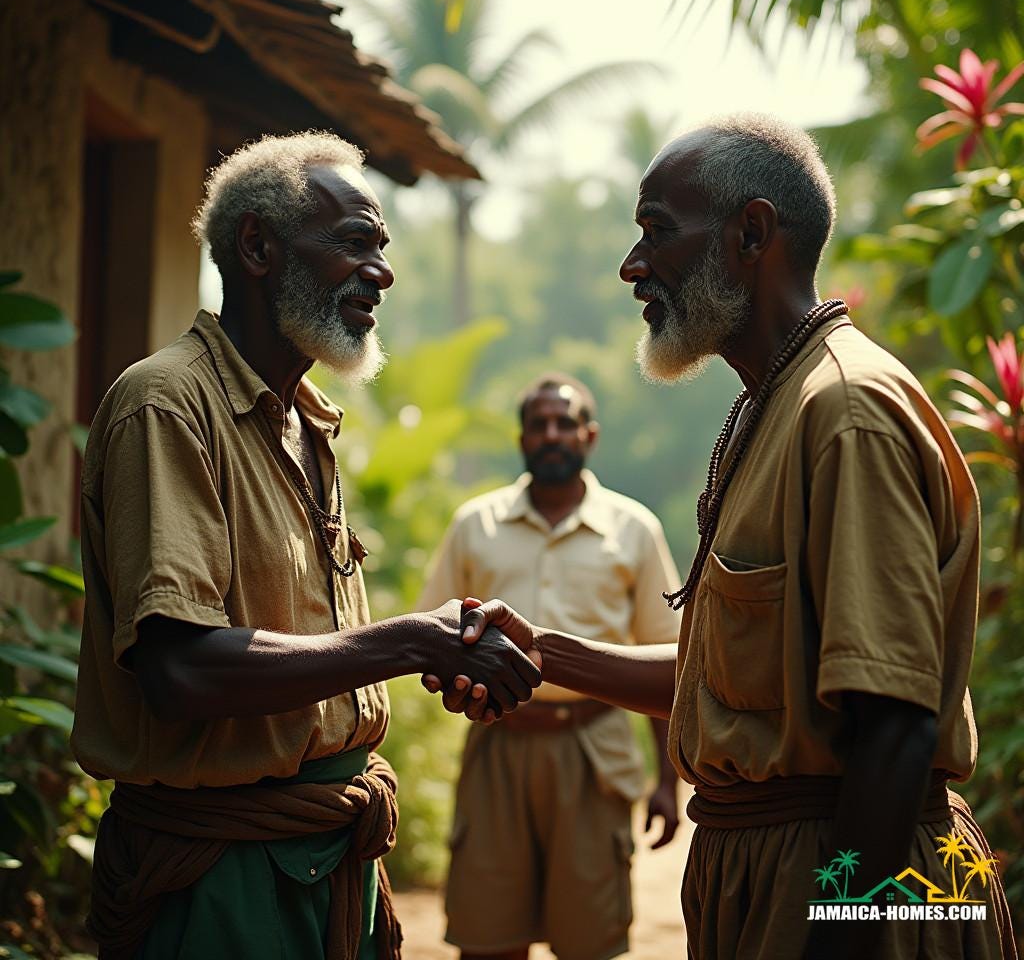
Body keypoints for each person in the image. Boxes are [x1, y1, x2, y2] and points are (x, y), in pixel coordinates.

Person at [425, 114, 1017, 960]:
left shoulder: (845, 412)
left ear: (751, 233)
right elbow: (742, 684)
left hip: (850, 892)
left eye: (657, 233)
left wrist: (836, 931)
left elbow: (894, 728)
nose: (634, 267)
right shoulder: (770, 407)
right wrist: (543, 653)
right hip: (769, 882)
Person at [70, 131, 540, 960]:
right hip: (221, 878)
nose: (381, 274)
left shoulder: (304, 418)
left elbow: (301, 644)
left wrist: (435, 643)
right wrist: (407, 640)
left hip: (324, 861)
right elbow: (179, 670)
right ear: (258, 247)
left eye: (383, 249)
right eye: (355, 243)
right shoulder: (167, 406)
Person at [418, 373, 682, 960]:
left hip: (596, 749)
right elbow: (430, 635)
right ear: (522, 438)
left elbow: (665, 659)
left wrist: (668, 782)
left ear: (590, 435)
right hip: (497, 746)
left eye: (566, 423)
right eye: (538, 424)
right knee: (488, 938)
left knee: (589, 942)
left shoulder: (634, 529)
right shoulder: (474, 524)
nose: (552, 434)